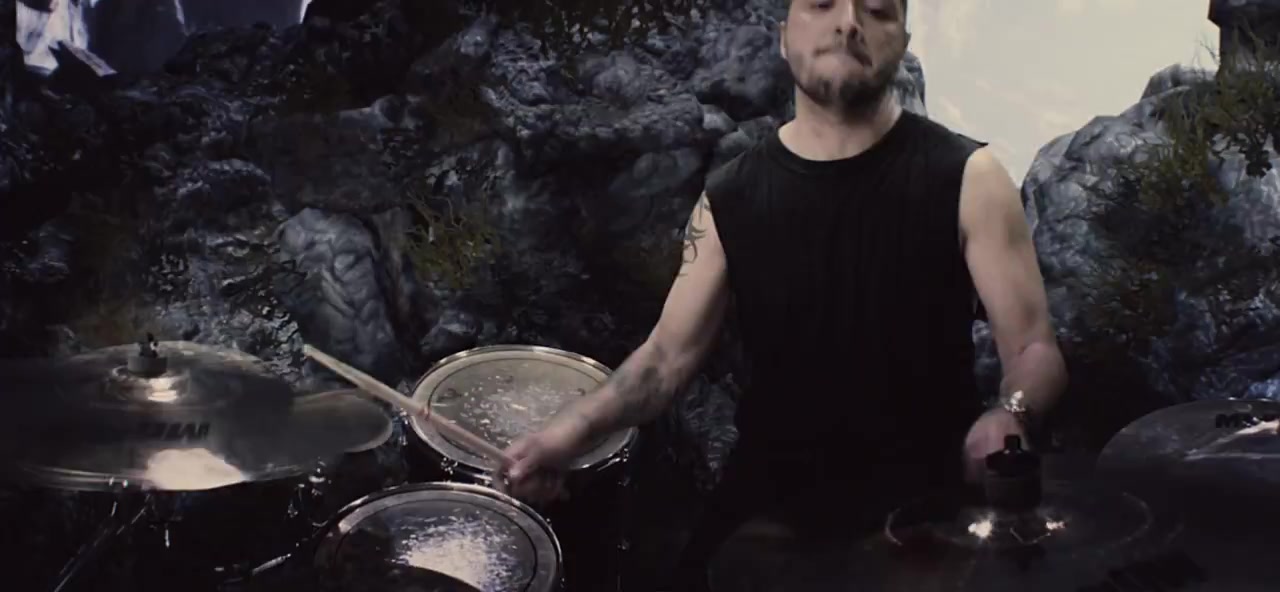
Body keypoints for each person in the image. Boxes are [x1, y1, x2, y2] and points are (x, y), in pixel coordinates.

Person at [500, 0, 1068, 589]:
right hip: (768, 515)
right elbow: (664, 361)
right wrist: (565, 435)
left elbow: (1034, 348)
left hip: (927, 513)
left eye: (877, 10)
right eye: (821, 4)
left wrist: (1012, 411)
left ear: (902, 41)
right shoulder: (731, 196)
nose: (848, 22)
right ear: (782, 36)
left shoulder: (970, 177)